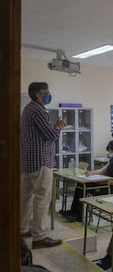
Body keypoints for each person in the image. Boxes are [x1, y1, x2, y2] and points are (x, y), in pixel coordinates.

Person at [20, 82, 66, 249]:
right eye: (46, 92)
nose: (48, 94)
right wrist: (59, 126)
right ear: (38, 94)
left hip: (27, 161)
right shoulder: (38, 111)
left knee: (26, 197)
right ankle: (39, 236)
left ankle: (22, 229)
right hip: (40, 161)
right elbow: (50, 135)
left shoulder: (27, 109)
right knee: (42, 198)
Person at [61, 139, 113, 222]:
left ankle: (78, 215)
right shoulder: (112, 160)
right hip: (105, 184)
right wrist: (90, 173)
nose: (111, 153)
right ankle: (73, 211)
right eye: (110, 151)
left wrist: (105, 182)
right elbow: (102, 170)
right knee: (80, 184)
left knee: (84, 187)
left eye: (112, 150)